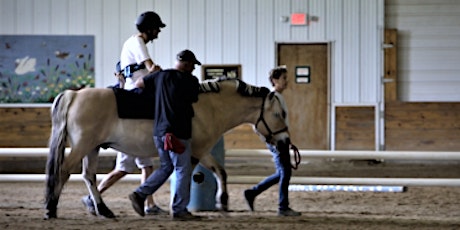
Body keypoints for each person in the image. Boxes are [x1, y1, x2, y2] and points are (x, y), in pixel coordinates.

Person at [81, 11, 168, 216]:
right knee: (123, 169)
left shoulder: (133, 43)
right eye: (157, 29)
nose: (158, 33)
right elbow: (151, 67)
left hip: (134, 88)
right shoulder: (138, 42)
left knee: (146, 168)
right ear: (149, 29)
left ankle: (149, 205)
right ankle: (93, 196)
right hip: (135, 91)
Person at [128, 49, 201, 221]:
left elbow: (138, 84)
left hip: (159, 131)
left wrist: (155, 85)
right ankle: (179, 209)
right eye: (192, 65)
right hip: (179, 132)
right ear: (187, 64)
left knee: (167, 167)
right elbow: (194, 99)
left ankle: (140, 193)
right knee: (183, 169)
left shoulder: (160, 76)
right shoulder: (191, 80)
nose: (193, 69)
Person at [243, 66, 301, 217]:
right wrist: (273, 139)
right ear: (275, 80)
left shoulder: (278, 98)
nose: (286, 81)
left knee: (282, 172)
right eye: (283, 78)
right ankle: (283, 207)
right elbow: (263, 123)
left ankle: (253, 192)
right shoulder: (272, 99)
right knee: (285, 172)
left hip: (281, 139)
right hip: (277, 141)